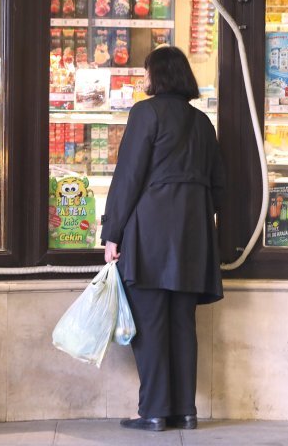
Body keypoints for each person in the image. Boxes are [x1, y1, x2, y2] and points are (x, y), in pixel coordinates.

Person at [101, 46, 225, 432]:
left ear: (159, 76)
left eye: (147, 71)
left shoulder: (145, 113)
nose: (144, 79)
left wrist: (112, 233)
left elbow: (128, 177)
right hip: (193, 235)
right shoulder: (203, 123)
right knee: (182, 324)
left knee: (150, 322)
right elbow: (220, 185)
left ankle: (153, 411)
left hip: (151, 231)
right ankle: (184, 412)